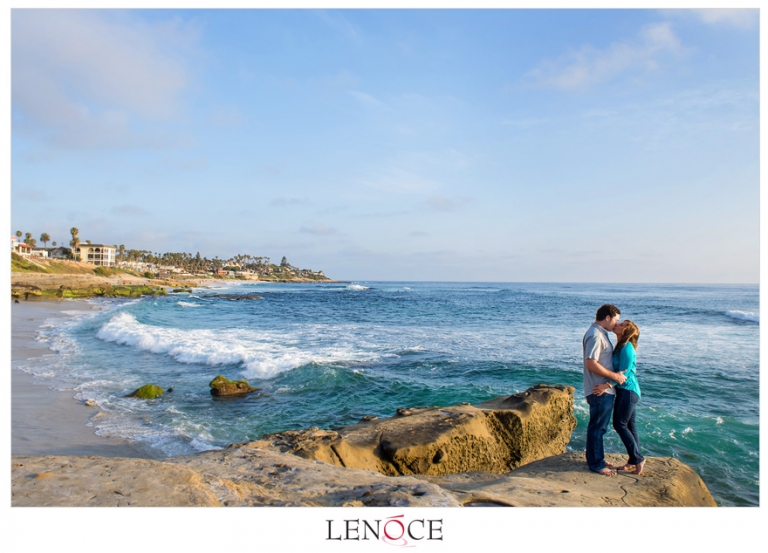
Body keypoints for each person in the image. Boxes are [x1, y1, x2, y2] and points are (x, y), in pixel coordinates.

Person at [594, 320, 645, 475]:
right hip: (627, 391)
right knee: (630, 426)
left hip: (628, 391)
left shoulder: (626, 348)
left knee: (619, 424)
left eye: (621, 325)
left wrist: (606, 385)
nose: (617, 324)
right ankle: (633, 460)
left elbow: (625, 372)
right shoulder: (620, 346)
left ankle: (638, 458)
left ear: (626, 332)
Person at [582, 304, 627, 476]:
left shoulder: (600, 334)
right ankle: (596, 464)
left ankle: (596, 458)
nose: (616, 323)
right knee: (597, 428)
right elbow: (591, 363)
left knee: (598, 427)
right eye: (615, 319)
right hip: (599, 390)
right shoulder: (595, 335)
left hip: (601, 389)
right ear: (607, 317)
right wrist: (614, 377)